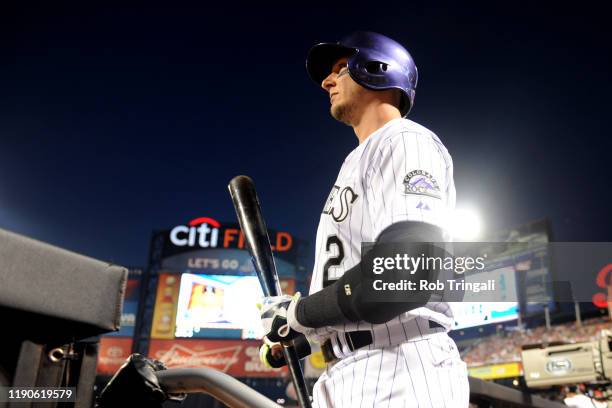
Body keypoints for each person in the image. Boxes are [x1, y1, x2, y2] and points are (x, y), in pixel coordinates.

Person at [259, 31, 470, 407]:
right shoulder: (358, 160)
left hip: (401, 367)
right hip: (349, 370)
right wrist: (301, 336)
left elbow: (405, 272)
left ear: (375, 68)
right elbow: (358, 289)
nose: (327, 82)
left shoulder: (405, 141)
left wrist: (298, 313)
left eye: (339, 70)